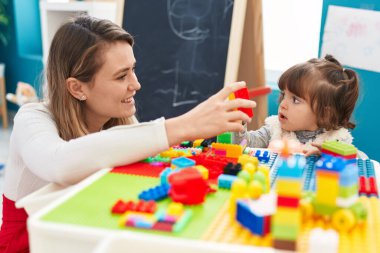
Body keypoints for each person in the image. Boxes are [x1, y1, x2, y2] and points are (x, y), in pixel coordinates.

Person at [0, 16, 256, 252]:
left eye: (133, 69)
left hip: (86, 233)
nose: (136, 84)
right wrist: (183, 125)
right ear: (77, 88)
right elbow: (60, 163)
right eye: (122, 76)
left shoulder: (117, 120)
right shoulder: (31, 118)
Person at [234, 55, 364, 157]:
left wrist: (329, 152)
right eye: (284, 95)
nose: (283, 104)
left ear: (325, 113)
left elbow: (361, 160)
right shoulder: (275, 130)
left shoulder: (335, 139)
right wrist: (238, 124)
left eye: (295, 100)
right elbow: (244, 144)